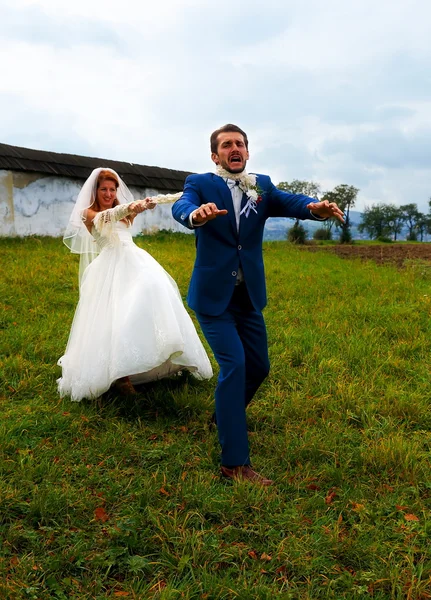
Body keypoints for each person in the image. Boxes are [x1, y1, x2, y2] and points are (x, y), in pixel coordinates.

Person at [172, 124, 344, 485]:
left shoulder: (260, 184)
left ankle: (225, 414)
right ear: (215, 155)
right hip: (213, 298)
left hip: (247, 297)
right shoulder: (201, 182)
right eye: (226, 145)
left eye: (240, 144)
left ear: (247, 152)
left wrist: (314, 207)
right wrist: (194, 215)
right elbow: (181, 204)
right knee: (234, 366)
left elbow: (288, 200)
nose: (234, 149)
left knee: (259, 367)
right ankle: (234, 464)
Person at [58, 167, 212, 402]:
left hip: (136, 260)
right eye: (104, 189)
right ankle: (120, 376)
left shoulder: (124, 212)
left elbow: (126, 213)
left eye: (112, 189)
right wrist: (130, 207)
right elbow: (104, 219)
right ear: (95, 191)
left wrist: (145, 205)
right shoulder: (87, 213)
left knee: (153, 291)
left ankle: (164, 354)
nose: (108, 194)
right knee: (115, 315)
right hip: (110, 266)